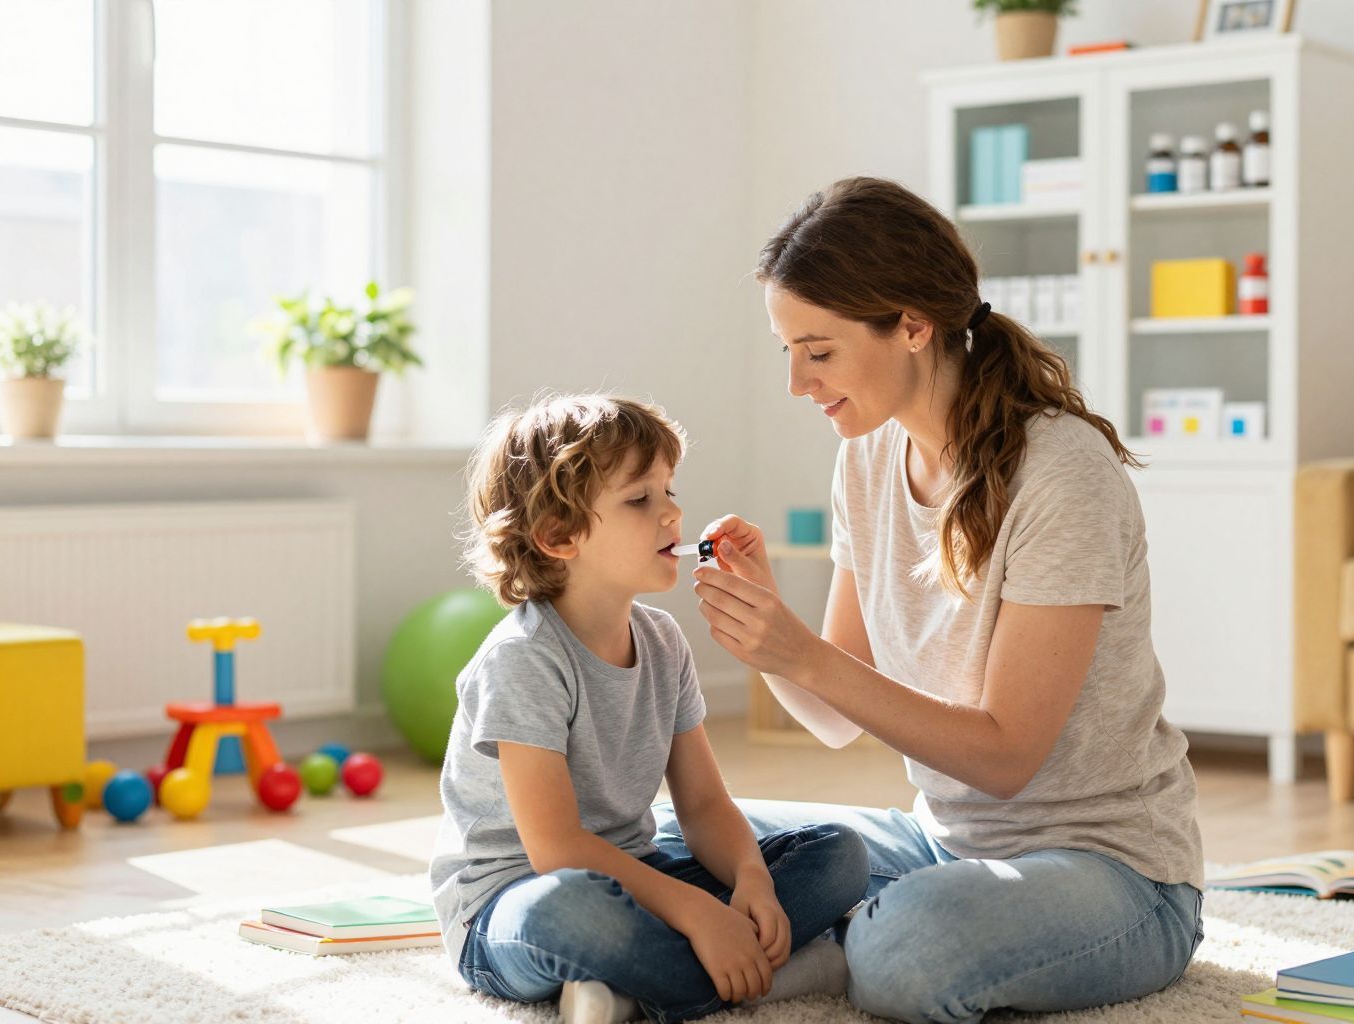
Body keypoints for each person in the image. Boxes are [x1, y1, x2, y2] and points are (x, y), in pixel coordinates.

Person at [677, 177, 1205, 1023]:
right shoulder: (866, 458)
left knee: (910, 949)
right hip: (940, 846)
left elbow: (1006, 758)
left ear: (913, 325)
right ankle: (793, 941)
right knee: (676, 838)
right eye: (787, 352)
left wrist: (801, 654)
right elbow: (834, 716)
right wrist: (765, 628)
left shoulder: (1062, 474)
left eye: (818, 351)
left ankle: (805, 955)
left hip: (1111, 872)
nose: (796, 383)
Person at [431, 393, 869, 1024]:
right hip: (516, 902)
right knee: (575, 912)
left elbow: (703, 806)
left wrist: (751, 879)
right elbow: (555, 849)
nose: (673, 513)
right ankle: (787, 973)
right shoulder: (524, 660)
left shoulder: (662, 639)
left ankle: (641, 988)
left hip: (640, 874)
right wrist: (696, 912)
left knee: (841, 854)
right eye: (640, 499)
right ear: (558, 536)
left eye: (669, 490)